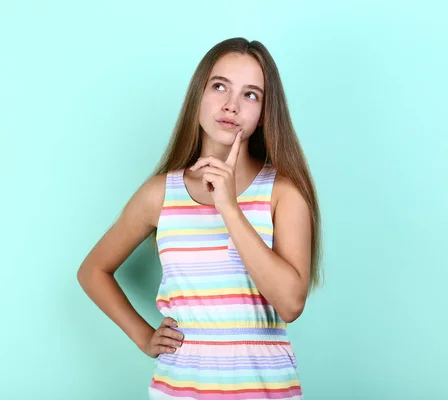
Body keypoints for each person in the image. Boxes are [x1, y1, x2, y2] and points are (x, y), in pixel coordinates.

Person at [77, 37, 322, 399]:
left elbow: (290, 303)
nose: (231, 105)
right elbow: (92, 271)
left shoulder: (283, 193)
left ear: (264, 114)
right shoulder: (160, 193)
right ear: (198, 95)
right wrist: (145, 337)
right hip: (179, 389)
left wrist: (228, 206)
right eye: (219, 86)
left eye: (250, 95)